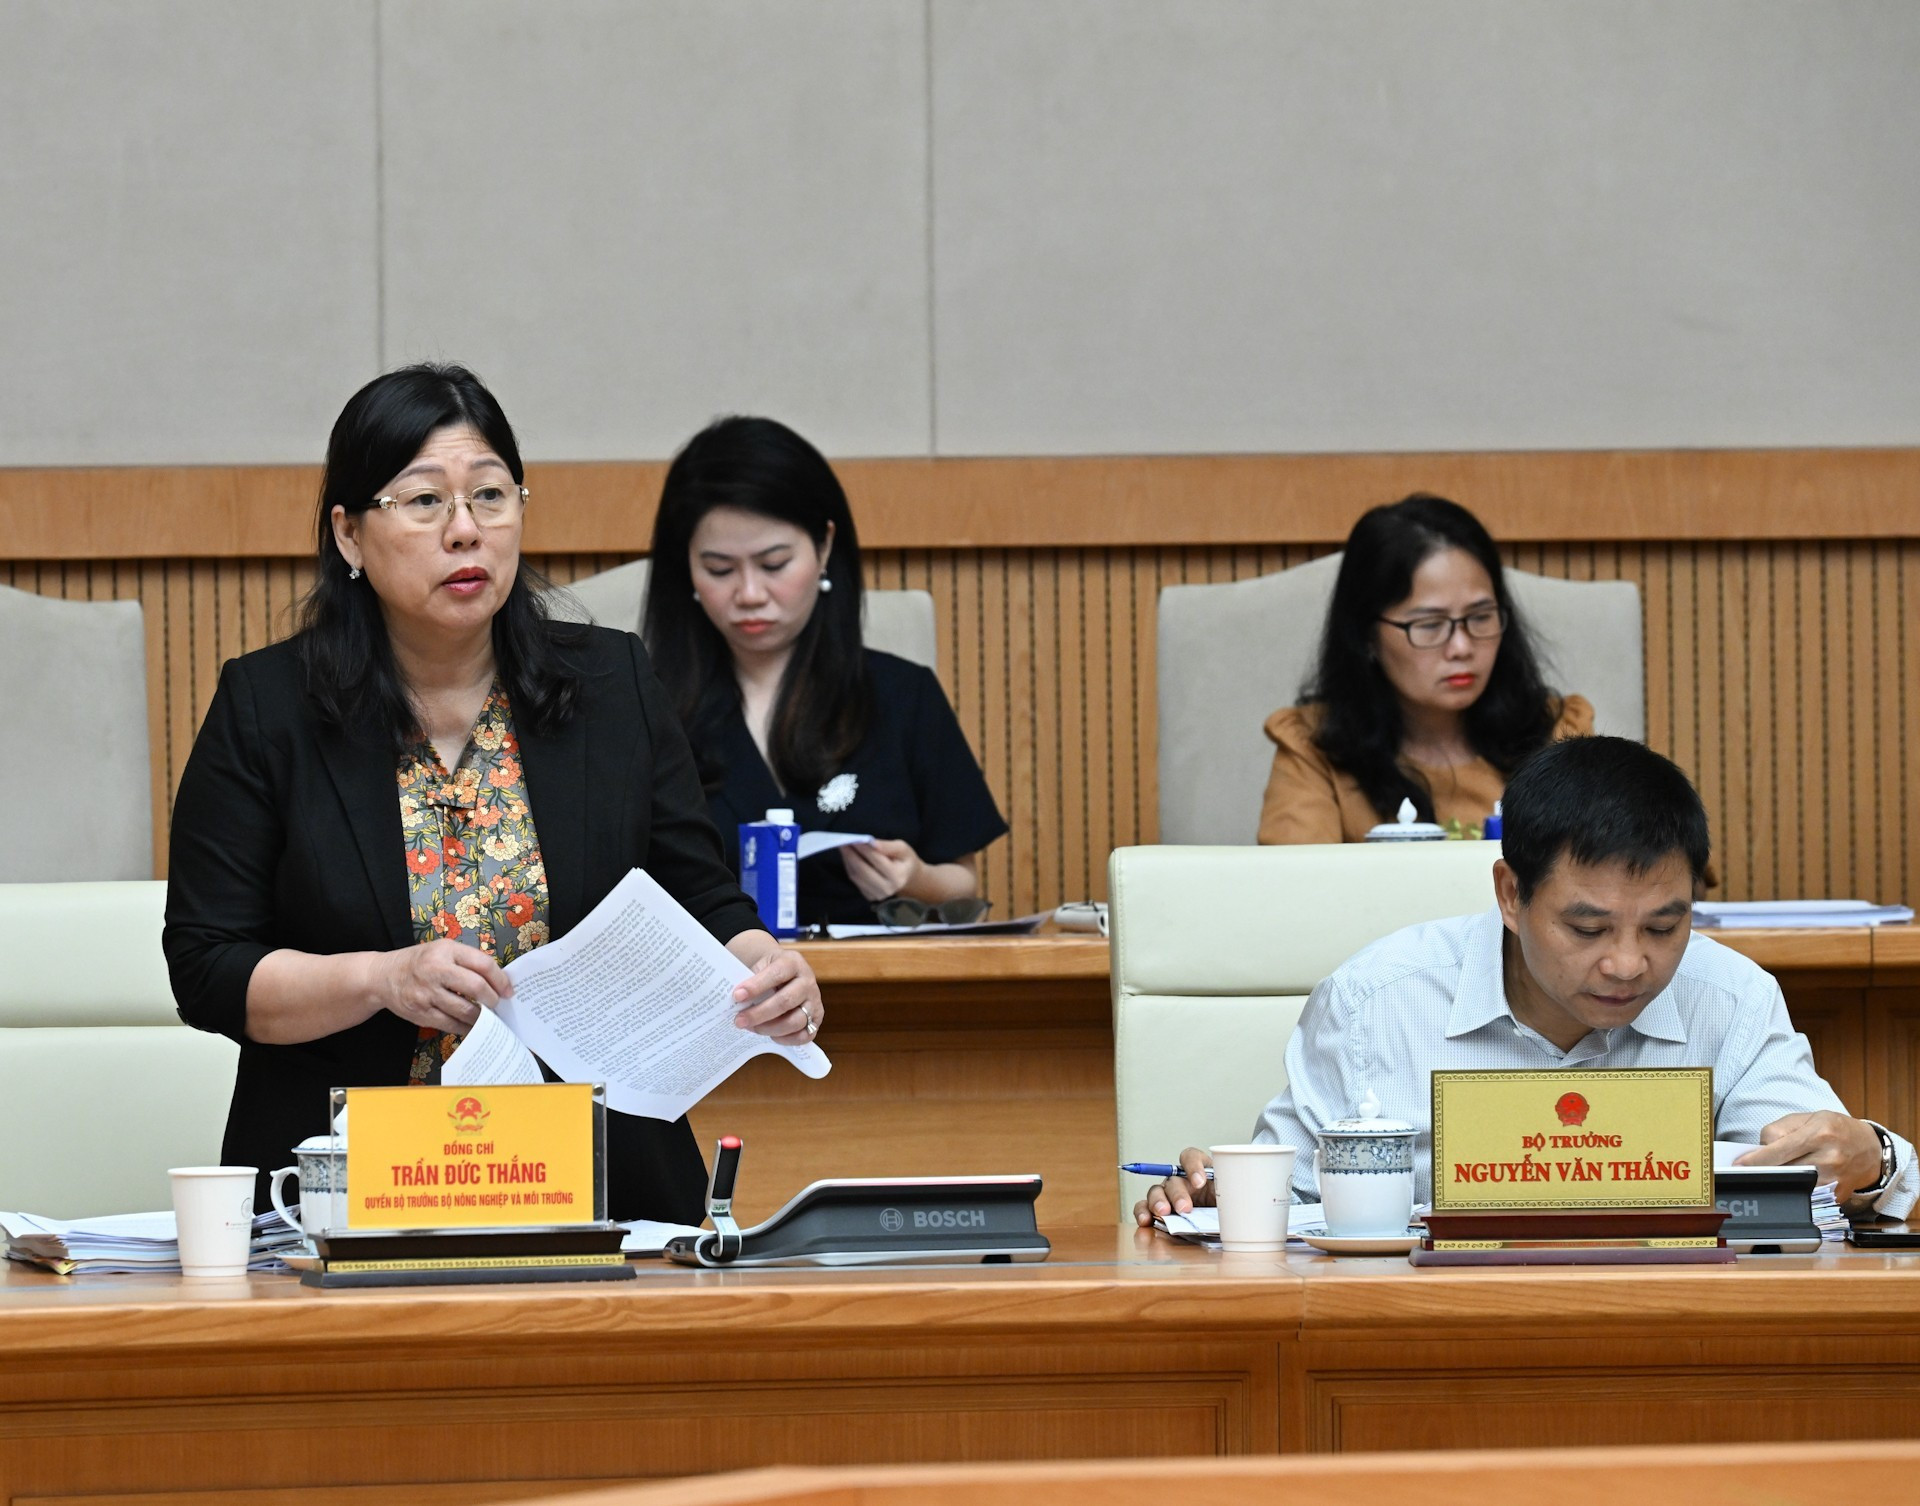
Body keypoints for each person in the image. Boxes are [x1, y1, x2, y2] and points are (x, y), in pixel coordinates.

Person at [164, 364, 822, 1225]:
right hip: (344, 1191)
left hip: (590, 1185)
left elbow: (698, 893)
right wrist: (379, 979)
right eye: (424, 502)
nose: (466, 531)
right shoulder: (267, 708)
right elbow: (209, 968)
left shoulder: (613, 682)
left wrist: (763, 964)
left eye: (490, 496)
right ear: (350, 535)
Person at [1141, 736, 1915, 1224]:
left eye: (1663, 926)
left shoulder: (1731, 997)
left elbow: (1823, 1182)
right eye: (1587, 928)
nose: (1627, 962)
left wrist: (1871, 1157)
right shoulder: (1375, 1002)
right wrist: (1210, 1201)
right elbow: (1279, 1208)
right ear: (1511, 894)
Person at [642, 415, 1007, 930]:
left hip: (881, 983)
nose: (749, 594)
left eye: (774, 564)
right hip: (716, 996)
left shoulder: (902, 695)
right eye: (720, 569)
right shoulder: (643, 705)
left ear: (824, 547)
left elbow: (962, 879)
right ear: (688, 570)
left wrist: (913, 877)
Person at [1259, 494, 1593, 844]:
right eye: (1430, 625)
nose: (1462, 647)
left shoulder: (1559, 735)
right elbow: (1295, 890)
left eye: (1480, 617)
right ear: (1366, 634)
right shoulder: (1313, 749)